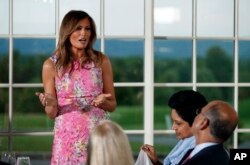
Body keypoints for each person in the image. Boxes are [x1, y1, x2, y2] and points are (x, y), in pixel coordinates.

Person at [35, 10, 116, 165]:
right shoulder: (50, 65)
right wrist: (50, 103)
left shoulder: (101, 61)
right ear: (67, 31)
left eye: (88, 29)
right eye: (78, 28)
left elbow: (112, 105)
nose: (83, 33)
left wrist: (102, 102)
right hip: (67, 142)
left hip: (98, 137)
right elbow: (51, 114)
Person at [141, 90, 208, 165]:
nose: (173, 127)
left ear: (197, 122)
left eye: (178, 123)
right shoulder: (186, 141)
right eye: (173, 122)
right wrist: (155, 161)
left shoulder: (199, 153)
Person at [179, 100, 239, 165]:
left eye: (199, 112)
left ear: (203, 123)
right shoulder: (221, 155)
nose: (195, 116)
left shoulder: (201, 161)